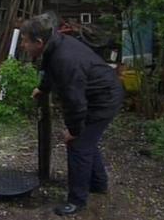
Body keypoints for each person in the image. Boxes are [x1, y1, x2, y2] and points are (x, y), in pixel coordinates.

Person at [20, 13, 124, 216]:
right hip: (101, 93)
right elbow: (49, 69)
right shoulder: (55, 44)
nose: (22, 45)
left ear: (39, 42)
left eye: (24, 41)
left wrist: (74, 131)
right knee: (87, 141)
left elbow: (74, 102)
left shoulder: (65, 59)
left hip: (102, 100)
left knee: (78, 145)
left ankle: (77, 200)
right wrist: (43, 88)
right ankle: (98, 184)